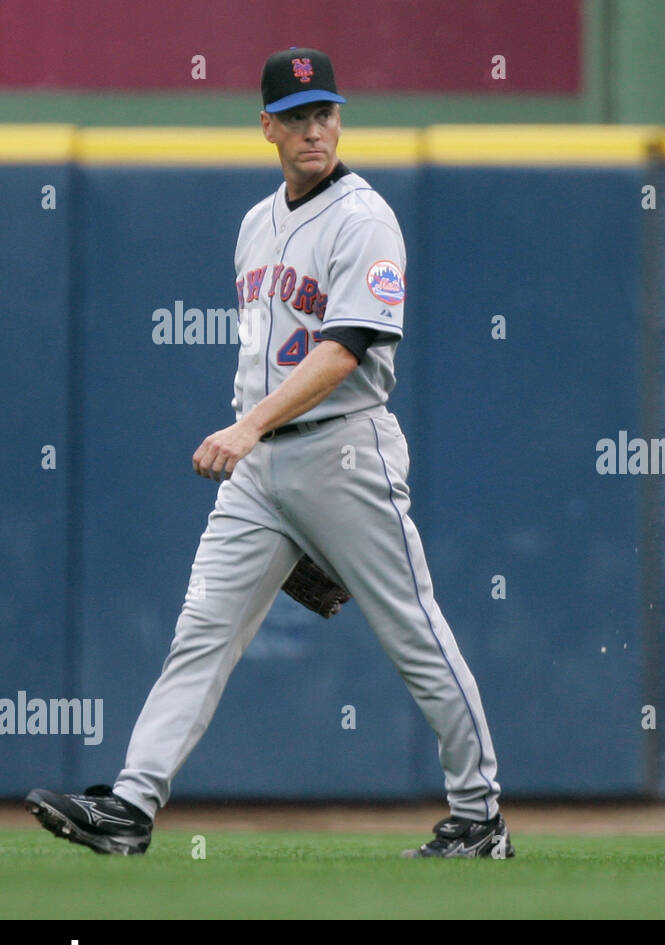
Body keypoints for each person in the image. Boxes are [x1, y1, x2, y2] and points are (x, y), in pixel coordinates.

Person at [26, 48, 512, 860]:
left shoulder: (365, 218)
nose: (312, 129)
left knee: (415, 635)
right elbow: (261, 357)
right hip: (261, 472)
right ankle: (132, 806)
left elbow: (346, 348)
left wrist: (250, 431)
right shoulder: (257, 224)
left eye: (324, 112)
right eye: (295, 116)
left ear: (340, 119)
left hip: (346, 454)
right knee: (202, 631)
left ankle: (478, 813)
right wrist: (253, 438)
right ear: (267, 128)